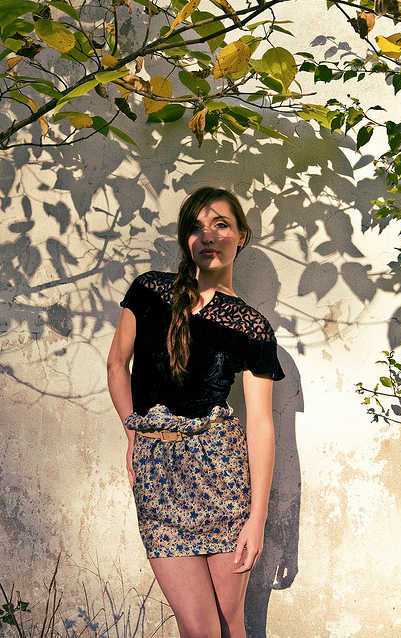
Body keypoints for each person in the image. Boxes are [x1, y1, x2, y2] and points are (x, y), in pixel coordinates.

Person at [107, 187, 284, 638]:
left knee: (229, 623)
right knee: (198, 628)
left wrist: (257, 518)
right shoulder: (150, 291)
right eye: (196, 227)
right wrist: (134, 435)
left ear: (241, 235)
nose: (208, 236)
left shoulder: (251, 327)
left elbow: (260, 424)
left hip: (221, 473)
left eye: (221, 224)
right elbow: (116, 366)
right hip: (158, 474)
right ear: (185, 238)